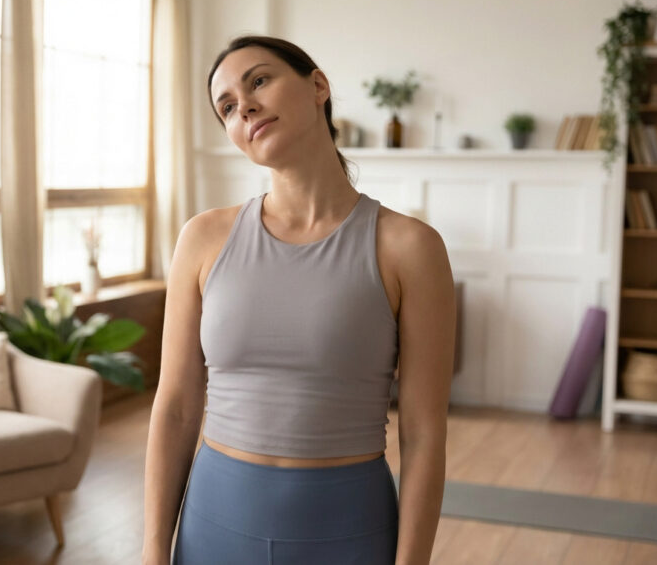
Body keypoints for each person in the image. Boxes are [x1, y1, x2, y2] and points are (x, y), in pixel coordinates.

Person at [142, 35, 455, 565]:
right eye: (227, 107)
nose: (245, 106)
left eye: (259, 81)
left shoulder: (410, 248)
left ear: (317, 86)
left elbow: (424, 433)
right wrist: (153, 549)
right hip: (213, 526)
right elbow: (174, 408)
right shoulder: (202, 239)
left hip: (349, 531)